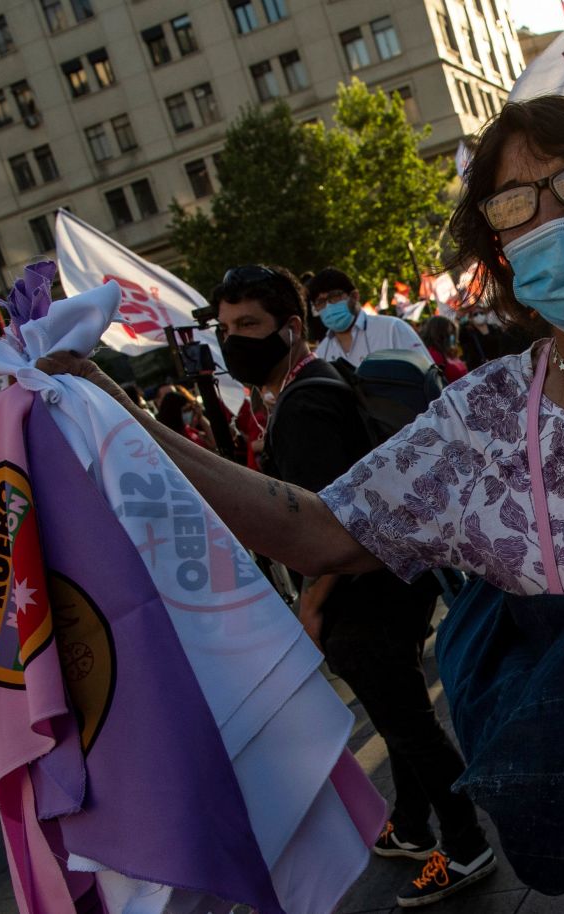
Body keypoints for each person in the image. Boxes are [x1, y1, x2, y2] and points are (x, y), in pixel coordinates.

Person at [39, 93, 564, 902]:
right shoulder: (482, 418)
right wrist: (119, 418)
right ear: (504, 251)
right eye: (519, 206)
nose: (552, 221)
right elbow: (318, 529)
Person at [206, 264, 492, 907]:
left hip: (361, 593)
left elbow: (328, 522)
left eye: (248, 324)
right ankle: (416, 827)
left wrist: (310, 607)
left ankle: (468, 843)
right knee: (398, 711)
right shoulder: (312, 384)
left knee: (408, 722)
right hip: (386, 582)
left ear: (291, 328)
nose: (233, 339)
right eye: (225, 327)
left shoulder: (305, 403)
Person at [307, 269, 427, 366]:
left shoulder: (392, 329)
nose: (328, 306)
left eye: (334, 297)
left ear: (354, 296)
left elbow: (429, 375)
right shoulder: (321, 354)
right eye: (320, 302)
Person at [154, 385, 218, 452]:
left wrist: (200, 416)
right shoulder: (165, 439)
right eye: (186, 410)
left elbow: (213, 443)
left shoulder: (188, 430)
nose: (189, 413)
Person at [416, 315, 469, 383]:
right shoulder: (434, 354)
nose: (451, 337)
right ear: (438, 334)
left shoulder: (448, 351)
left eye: (453, 333)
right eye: (448, 334)